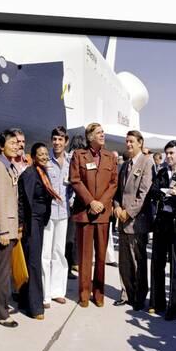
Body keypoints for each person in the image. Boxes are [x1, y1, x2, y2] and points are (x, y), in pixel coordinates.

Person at [70, 123, 118, 308]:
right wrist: (91, 202)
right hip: (85, 212)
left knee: (100, 257)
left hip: (103, 214)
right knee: (84, 256)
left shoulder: (110, 157)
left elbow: (114, 183)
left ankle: (98, 294)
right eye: (99, 133)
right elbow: (75, 180)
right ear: (90, 137)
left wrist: (100, 203)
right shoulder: (79, 155)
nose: (102, 135)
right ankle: (83, 294)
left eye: (103, 132)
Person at [148, 140, 176, 320]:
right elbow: (153, 192)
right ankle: (156, 302)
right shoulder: (161, 172)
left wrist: (164, 195)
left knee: (175, 266)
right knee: (157, 263)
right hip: (161, 223)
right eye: (166, 153)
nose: (168, 156)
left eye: (171, 153)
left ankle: (174, 307)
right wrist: (167, 193)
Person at [18, 143, 61, 319]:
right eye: (40, 154)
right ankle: (35, 307)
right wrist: (21, 225)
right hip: (32, 222)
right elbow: (22, 201)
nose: (44, 157)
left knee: (32, 260)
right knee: (34, 262)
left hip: (39, 221)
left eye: (45, 154)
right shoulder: (29, 174)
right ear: (33, 157)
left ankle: (25, 299)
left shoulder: (42, 172)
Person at [112, 130, 154, 310]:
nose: (128, 144)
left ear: (140, 143)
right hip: (122, 219)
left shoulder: (147, 162)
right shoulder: (126, 164)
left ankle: (139, 295)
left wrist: (128, 213)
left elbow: (144, 193)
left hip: (136, 221)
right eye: (127, 141)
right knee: (124, 260)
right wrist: (117, 208)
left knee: (138, 260)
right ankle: (126, 293)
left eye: (131, 142)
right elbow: (118, 192)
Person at [0, 129, 22, 328]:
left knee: (4, 269)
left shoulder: (8, 166)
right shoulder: (0, 167)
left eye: (17, 143)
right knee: (2, 272)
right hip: (3, 229)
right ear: (2, 147)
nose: (16, 146)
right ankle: (1, 313)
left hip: (8, 226)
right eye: (12, 143)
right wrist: (2, 230)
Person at [41, 127, 72, 309]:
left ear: (66, 141)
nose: (57, 143)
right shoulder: (46, 160)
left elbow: (74, 185)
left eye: (60, 139)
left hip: (63, 214)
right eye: (54, 139)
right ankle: (45, 294)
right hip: (48, 212)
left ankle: (57, 291)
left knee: (59, 253)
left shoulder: (70, 161)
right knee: (45, 253)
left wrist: (73, 201)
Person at [65, 134, 87, 280]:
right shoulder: (75, 160)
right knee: (71, 237)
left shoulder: (67, 158)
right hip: (73, 203)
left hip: (68, 203)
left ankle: (72, 263)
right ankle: (69, 265)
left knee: (70, 236)